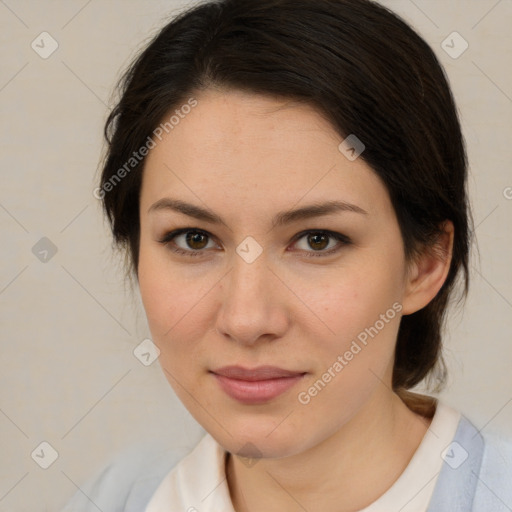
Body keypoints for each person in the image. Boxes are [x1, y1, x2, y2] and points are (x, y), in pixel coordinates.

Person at [62, 0, 512, 510]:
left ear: (426, 262)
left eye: (317, 240)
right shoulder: (115, 496)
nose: (247, 319)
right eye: (194, 239)